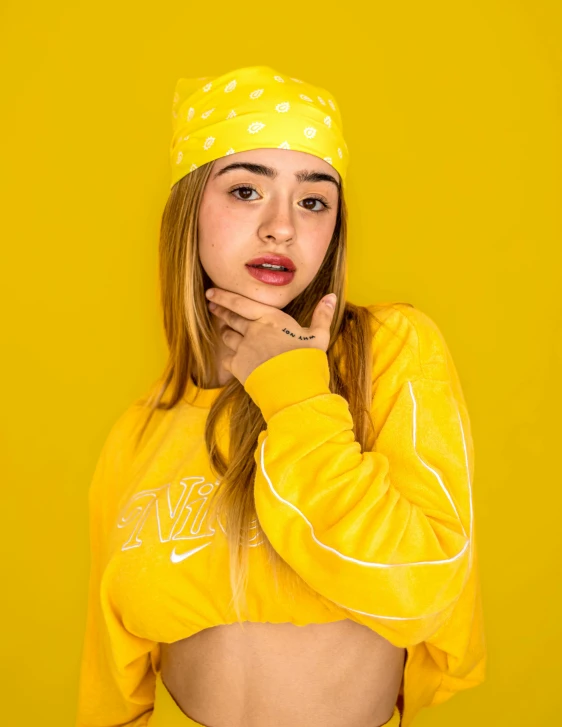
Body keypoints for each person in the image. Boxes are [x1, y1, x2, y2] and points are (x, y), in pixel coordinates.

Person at [76, 65, 486, 727]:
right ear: (188, 207)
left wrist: (294, 390)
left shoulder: (388, 353)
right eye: (245, 191)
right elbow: (111, 688)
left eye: (313, 201)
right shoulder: (139, 432)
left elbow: (423, 585)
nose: (282, 228)